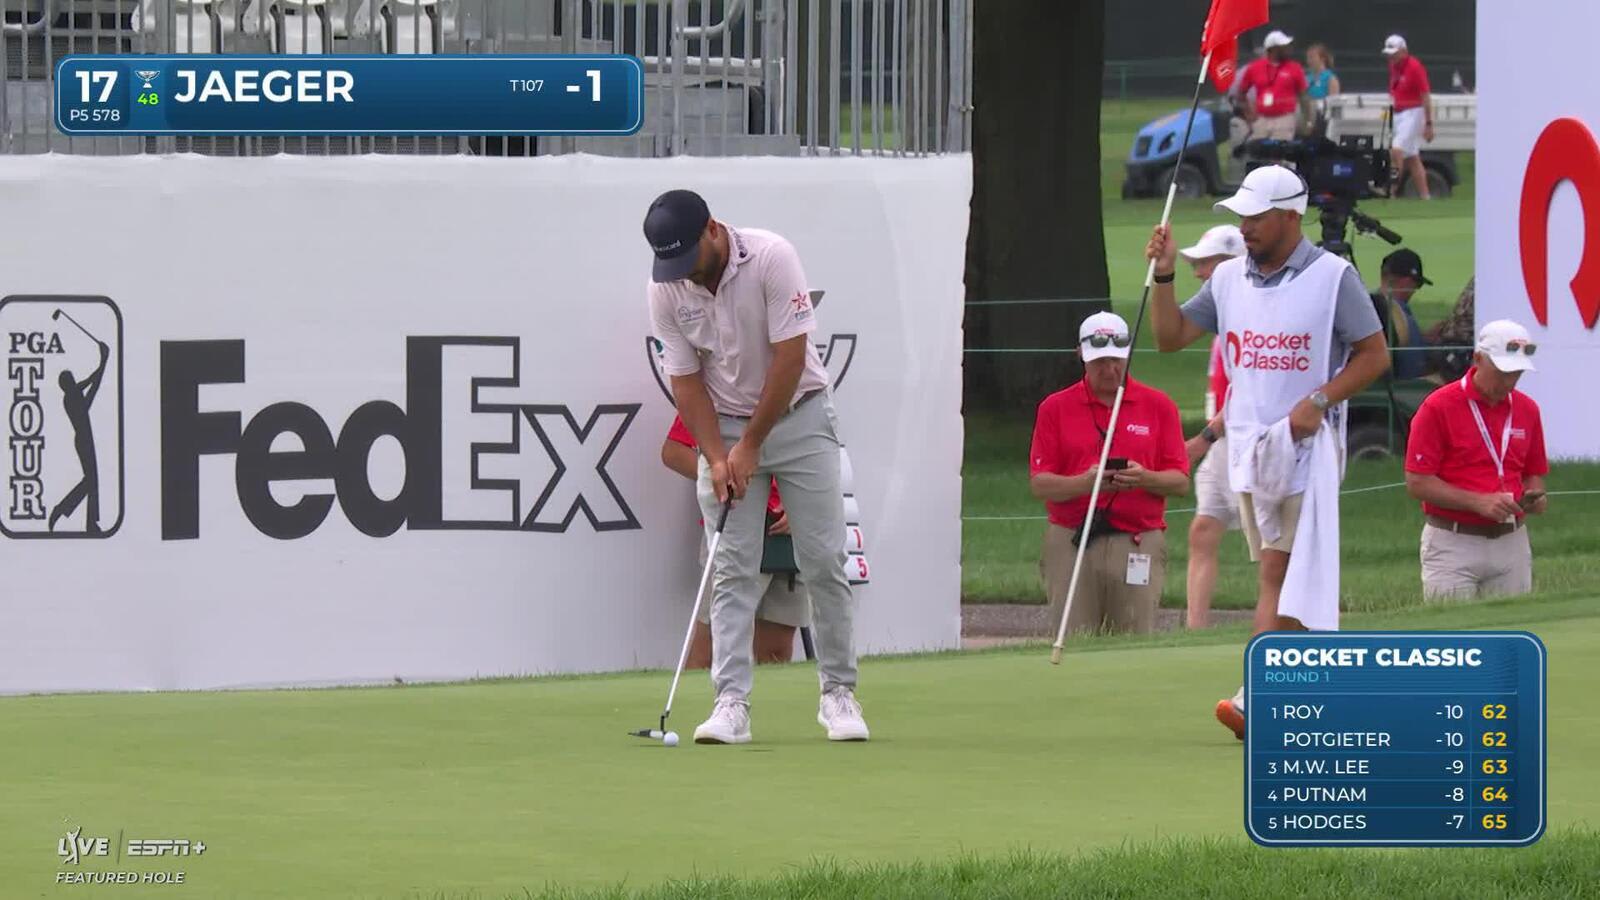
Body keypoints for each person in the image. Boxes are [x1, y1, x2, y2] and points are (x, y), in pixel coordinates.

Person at [1145, 165, 1391, 740]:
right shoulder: (1231, 279)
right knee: (1283, 576)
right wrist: (1162, 276)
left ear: (1289, 216)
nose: (1245, 226)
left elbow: (1374, 355)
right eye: (1242, 217)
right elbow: (1170, 336)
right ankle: (1300, 694)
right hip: (1250, 454)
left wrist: (1320, 399)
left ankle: (1255, 695)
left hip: (1307, 448)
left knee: (1278, 576)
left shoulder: (1333, 277)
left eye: (1255, 217)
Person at [644, 188, 867, 745]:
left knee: (822, 559)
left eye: (688, 260)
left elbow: (791, 358)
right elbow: (686, 379)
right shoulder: (667, 287)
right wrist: (717, 456)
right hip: (724, 423)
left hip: (801, 416)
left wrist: (752, 445)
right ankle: (730, 703)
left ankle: (838, 693)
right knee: (733, 567)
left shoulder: (771, 257)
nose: (684, 276)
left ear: (712, 231)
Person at [1029, 312, 1190, 636]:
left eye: (1117, 360)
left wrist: (1144, 478)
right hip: (1073, 538)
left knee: (1134, 635)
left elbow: (1180, 481)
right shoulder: (1055, 407)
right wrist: (1084, 483)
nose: (1109, 369)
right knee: (1072, 636)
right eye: (1099, 361)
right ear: (1082, 357)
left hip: (1137, 538)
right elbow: (1040, 483)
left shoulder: (1158, 406)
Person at [1404, 320, 1549, 600]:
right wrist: (1478, 502)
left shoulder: (1527, 409)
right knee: (1453, 636)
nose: (1509, 382)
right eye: (1502, 373)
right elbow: (1417, 482)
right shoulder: (1438, 406)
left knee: (1511, 635)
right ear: (1478, 359)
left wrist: (1534, 495)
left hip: (1512, 541)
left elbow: (1532, 472)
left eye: (1517, 373)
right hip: (1453, 542)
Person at [661, 415, 811, 668]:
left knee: (776, 651)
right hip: (734, 528)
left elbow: (816, 460)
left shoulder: (803, 394)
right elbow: (673, 451)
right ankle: (701, 708)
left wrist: (800, 501)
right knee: (711, 648)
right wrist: (727, 478)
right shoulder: (720, 390)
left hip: (787, 535)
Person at [1176, 225, 1247, 629]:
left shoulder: (1244, 321)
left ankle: (1282, 624)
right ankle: (1194, 627)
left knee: (1265, 541)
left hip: (1237, 442)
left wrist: (1204, 439)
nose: (1199, 272)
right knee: (1203, 528)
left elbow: (1248, 394)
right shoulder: (1223, 322)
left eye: (1205, 263)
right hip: (1223, 441)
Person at [1384, 34, 1434, 199]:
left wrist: (1428, 123)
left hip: (1414, 112)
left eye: (1395, 53)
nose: (1392, 57)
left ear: (1404, 51)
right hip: (1399, 113)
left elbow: (1425, 95)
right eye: (1390, 54)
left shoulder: (1414, 67)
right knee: (1412, 157)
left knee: (1396, 150)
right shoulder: (1393, 66)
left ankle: (1391, 192)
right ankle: (1425, 196)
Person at [1372, 248, 1433, 379]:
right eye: (1418, 284)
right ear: (1407, 281)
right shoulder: (1398, 315)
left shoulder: (1369, 308)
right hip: (1406, 390)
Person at [1237, 30, 1309, 140]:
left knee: (1279, 154)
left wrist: (1307, 120)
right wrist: (1249, 114)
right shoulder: (1254, 68)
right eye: (1284, 46)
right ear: (1274, 49)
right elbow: (1241, 92)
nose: (1288, 49)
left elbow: (1303, 96)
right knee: (1260, 154)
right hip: (1261, 119)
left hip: (1284, 118)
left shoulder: (1295, 68)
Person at [1303, 43, 1341, 136]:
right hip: (1308, 117)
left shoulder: (1330, 78)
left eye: (1312, 57)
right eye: (1308, 57)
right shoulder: (1306, 78)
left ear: (1322, 59)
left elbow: (1334, 101)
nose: (1309, 61)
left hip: (1323, 118)